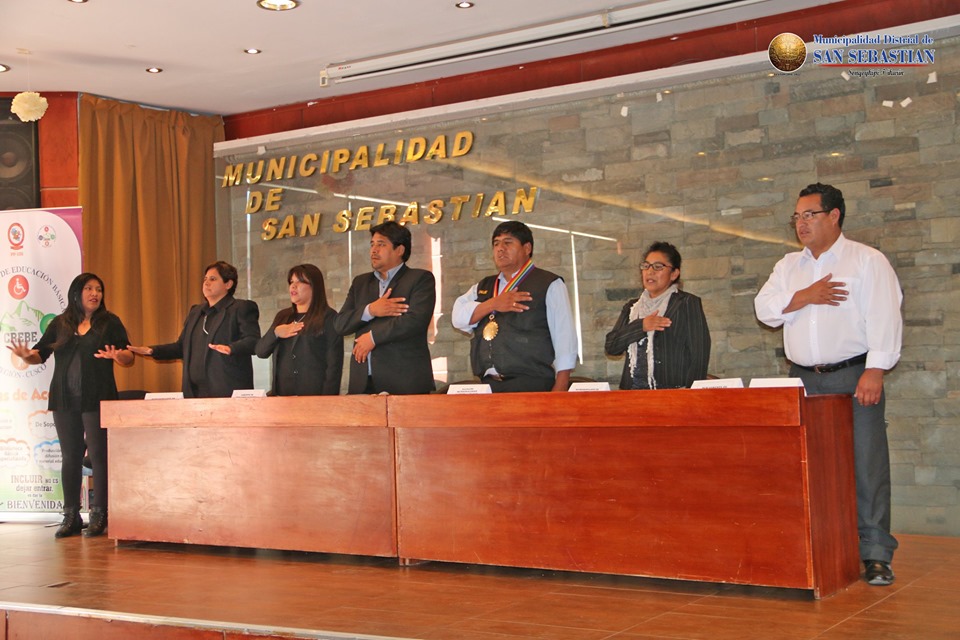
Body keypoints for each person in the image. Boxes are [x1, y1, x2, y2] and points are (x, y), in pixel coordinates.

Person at [754, 182, 903, 586]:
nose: (801, 224)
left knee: (866, 464)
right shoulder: (789, 266)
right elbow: (764, 310)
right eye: (797, 217)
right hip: (802, 379)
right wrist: (805, 295)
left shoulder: (866, 261)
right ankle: (823, 547)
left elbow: (886, 317)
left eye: (810, 215)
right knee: (810, 467)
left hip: (854, 375)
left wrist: (876, 370)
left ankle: (875, 554)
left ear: (834, 216)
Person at [7, 273, 133, 538]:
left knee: (98, 455)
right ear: (76, 293)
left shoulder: (109, 322)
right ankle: (71, 515)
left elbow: (128, 356)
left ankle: (99, 514)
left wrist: (118, 355)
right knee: (70, 456)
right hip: (65, 398)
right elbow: (40, 354)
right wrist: (26, 356)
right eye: (89, 288)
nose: (95, 293)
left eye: (98, 289)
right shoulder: (60, 323)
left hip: (97, 396)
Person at [452, 220, 577, 392]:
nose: (500, 249)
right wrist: (493, 303)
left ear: (527, 248)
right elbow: (458, 318)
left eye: (508, 242)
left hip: (532, 384)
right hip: (489, 386)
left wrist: (560, 387)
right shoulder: (484, 285)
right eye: (496, 244)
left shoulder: (549, 283)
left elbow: (565, 337)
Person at [129, 260, 260, 397]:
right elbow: (181, 347)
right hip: (194, 393)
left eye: (213, 279)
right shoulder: (196, 312)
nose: (206, 283)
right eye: (205, 279)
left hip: (227, 391)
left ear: (228, 284)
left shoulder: (240, 308)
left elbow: (253, 341)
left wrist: (231, 348)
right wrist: (152, 350)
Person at [334, 221, 436, 394]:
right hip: (363, 382)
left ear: (400, 250)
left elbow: (415, 321)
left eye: (381, 245)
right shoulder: (360, 283)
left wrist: (373, 337)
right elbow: (340, 324)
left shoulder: (420, 279)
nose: (374, 250)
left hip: (404, 382)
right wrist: (371, 310)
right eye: (372, 244)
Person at [604, 241, 710, 389]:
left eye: (658, 267)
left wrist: (690, 394)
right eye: (646, 266)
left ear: (674, 274)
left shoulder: (686, 303)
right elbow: (612, 347)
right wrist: (641, 326)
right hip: (632, 394)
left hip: (672, 394)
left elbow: (699, 355)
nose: (650, 271)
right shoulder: (632, 307)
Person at [256, 264, 343, 395]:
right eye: (291, 282)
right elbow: (260, 352)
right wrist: (275, 333)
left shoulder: (329, 317)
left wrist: (327, 400)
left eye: (299, 282)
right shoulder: (283, 316)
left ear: (314, 286)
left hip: (314, 397)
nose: (293, 286)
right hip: (282, 396)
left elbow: (334, 365)